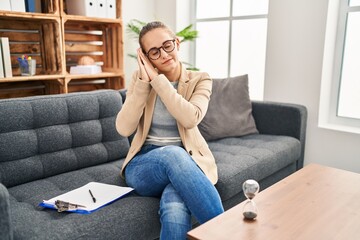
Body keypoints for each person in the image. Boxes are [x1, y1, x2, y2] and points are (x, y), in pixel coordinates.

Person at [116, 21, 224, 239]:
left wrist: (159, 81)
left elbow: (190, 118)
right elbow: (123, 128)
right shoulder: (141, 80)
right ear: (146, 57)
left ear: (177, 43)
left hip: (187, 163)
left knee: (175, 207)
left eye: (167, 45)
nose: (164, 54)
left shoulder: (200, 79)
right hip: (144, 166)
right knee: (173, 155)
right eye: (154, 52)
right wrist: (146, 83)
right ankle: (225, 234)